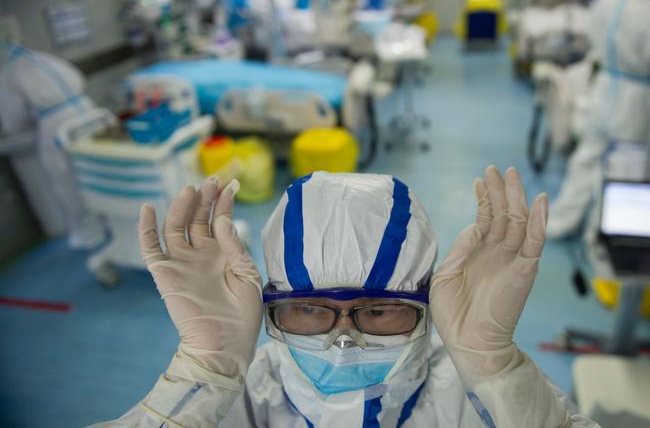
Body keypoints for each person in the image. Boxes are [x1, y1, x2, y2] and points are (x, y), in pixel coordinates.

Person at [93, 169, 599, 427]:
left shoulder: (475, 396)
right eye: (309, 309)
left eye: (378, 311)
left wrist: (497, 370)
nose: (343, 342)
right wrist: (201, 369)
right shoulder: (236, 396)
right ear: (270, 308)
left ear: (426, 307)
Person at [547, 0, 650, 238]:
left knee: (587, 158)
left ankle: (559, 223)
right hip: (637, 99)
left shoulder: (608, 0)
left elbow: (593, 41)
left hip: (605, 89)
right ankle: (599, 235)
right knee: (624, 169)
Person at [0, 41, 104, 248]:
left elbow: (14, 122)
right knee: (99, 171)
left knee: (67, 182)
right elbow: (77, 77)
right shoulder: (44, 57)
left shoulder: (9, 74)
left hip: (57, 125)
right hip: (87, 110)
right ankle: (117, 218)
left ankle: (90, 234)